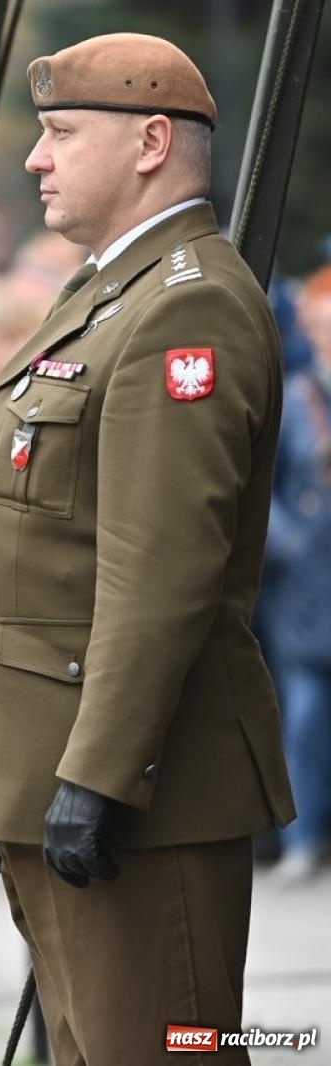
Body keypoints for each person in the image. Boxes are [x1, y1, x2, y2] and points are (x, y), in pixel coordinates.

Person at [0, 35, 296, 1064]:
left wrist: (99, 777)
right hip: (61, 774)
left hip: (134, 795)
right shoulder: (111, 294)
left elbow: (159, 572)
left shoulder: (187, 305)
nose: (36, 159)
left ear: (150, 142)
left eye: (60, 133)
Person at [260, 264, 331, 884]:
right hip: (306, 587)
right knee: (304, 714)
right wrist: (289, 544)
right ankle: (303, 837)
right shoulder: (293, 400)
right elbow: (261, 490)